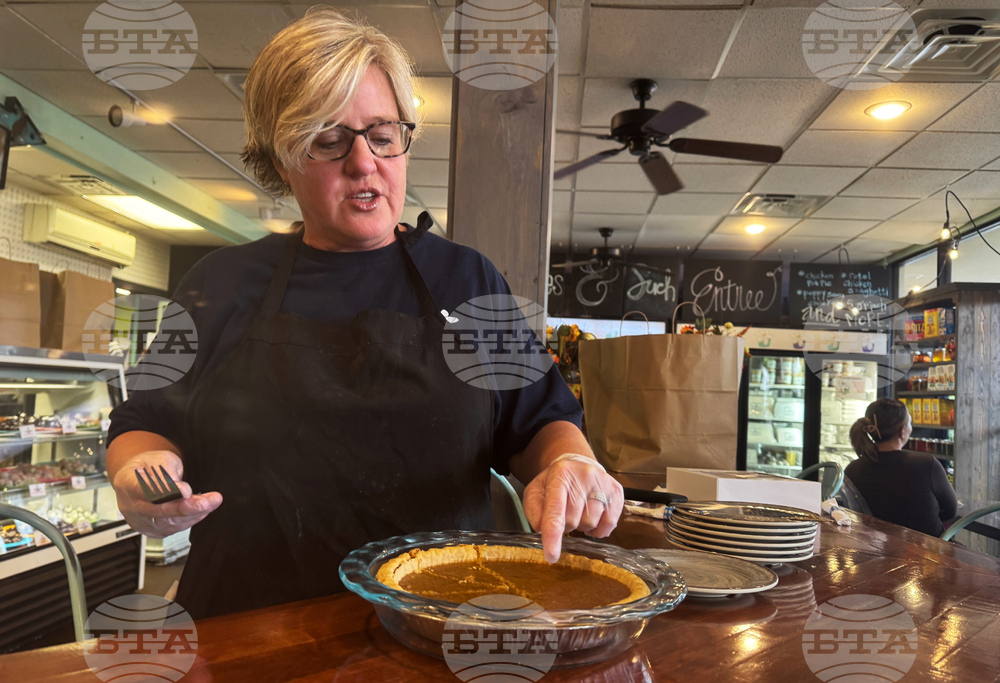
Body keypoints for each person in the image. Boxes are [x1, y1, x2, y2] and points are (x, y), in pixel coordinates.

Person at [105, 8, 622, 620]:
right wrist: (140, 472)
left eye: (382, 134)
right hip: (249, 629)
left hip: (435, 620)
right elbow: (144, 422)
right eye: (329, 140)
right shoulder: (219, 284)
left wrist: (570, 464)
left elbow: (541, 422)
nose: (363, 162)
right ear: (281, 160)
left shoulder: (468, 282)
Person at [846, 398, 957, 536]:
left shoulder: (852, 469)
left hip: (872, 546)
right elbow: (951, 511)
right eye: (910, 423)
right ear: (902, 431)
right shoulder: (926, 464)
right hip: (926, 546)